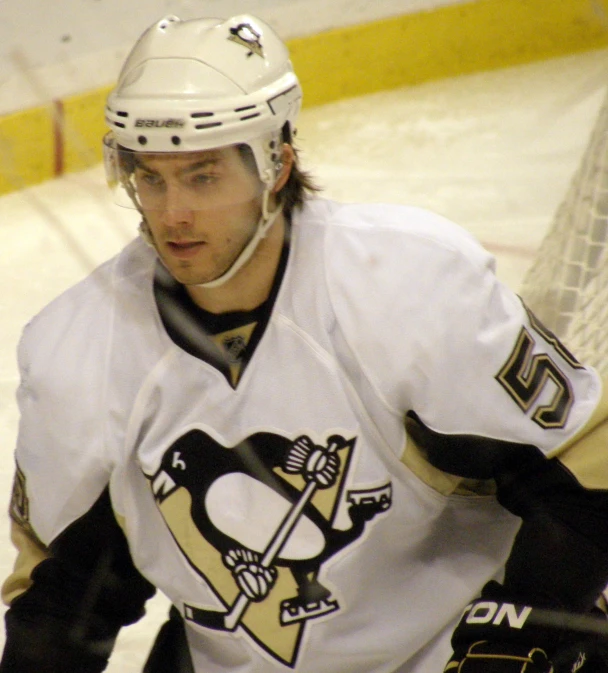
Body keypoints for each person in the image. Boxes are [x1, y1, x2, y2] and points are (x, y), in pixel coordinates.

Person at [1, 12, 608, 673]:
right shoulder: (77, 352)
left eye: (203, 176)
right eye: (151, 177)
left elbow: (587, 463)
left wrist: (520, 630)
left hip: (448, 652)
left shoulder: (406, 287)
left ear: (276, 165)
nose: (171, 212)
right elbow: (60, 601)